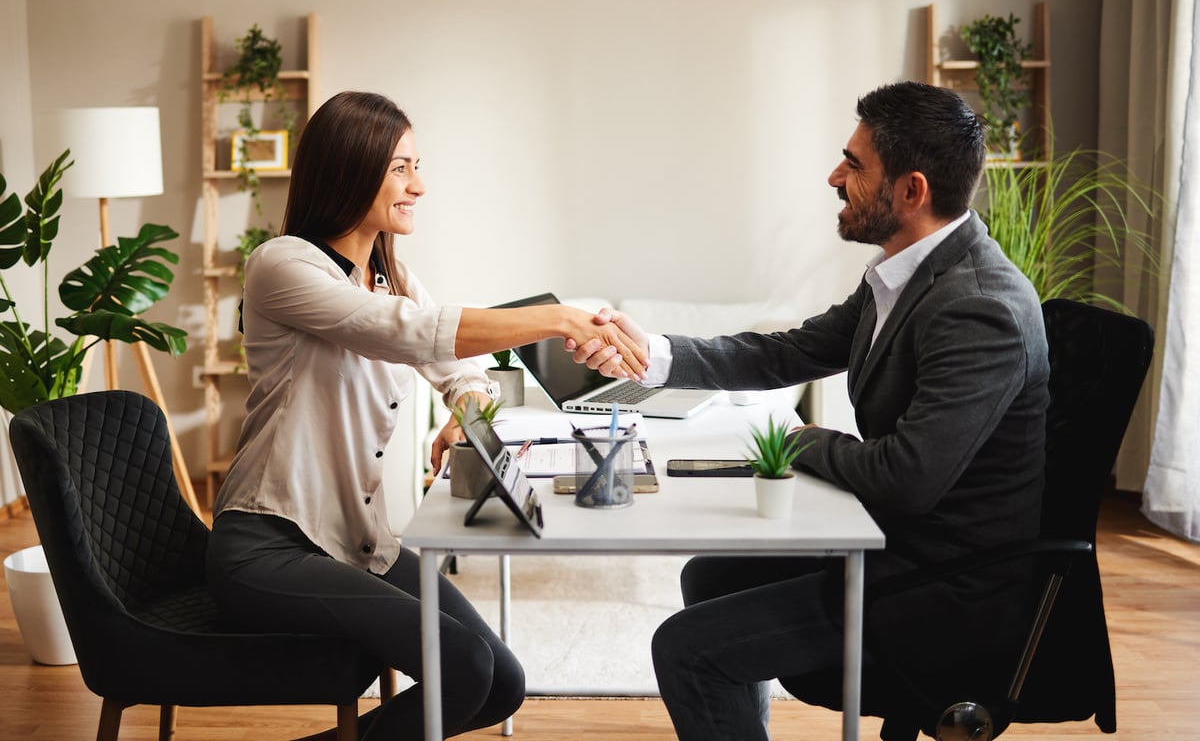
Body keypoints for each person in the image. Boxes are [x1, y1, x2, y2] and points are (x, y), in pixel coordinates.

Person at [572, 81, 1050, 740]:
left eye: (854, 165)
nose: (835, 176)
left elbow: (907, 477)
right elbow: (785, 354)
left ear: (911, 192)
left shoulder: (978, 307)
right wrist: (647, 354)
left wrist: (802, 442)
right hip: (893, 547)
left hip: (941, 591)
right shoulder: (906, 275)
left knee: (686, 648)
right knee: (709, 577)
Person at [206, 90, 647, 741]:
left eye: (418, 166)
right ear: (351, 168)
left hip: (360, 543)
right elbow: (407, 334)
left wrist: (463, 411)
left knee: (502, 684)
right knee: (463, 668)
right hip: (270, 545)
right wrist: (557, 317)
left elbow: (460, 371)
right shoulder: (283, 266)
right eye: (402, 168)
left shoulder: (393, 276)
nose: (420, 186)